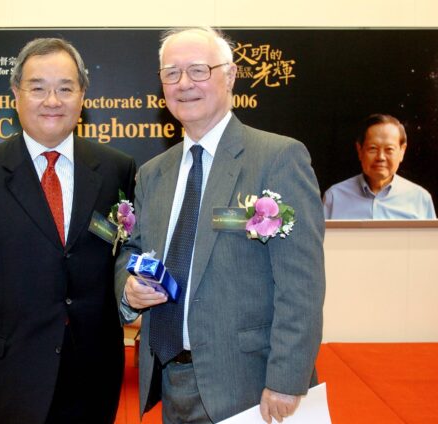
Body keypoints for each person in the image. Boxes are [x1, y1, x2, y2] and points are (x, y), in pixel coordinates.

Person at [115, 27, 326, 424]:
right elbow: (131, 250)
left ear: (229, 76)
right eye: (171, 73)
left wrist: (286, 379)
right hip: (169, 380)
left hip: (248, 383)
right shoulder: (153, 173)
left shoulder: (278, 157)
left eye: (198, 70)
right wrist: (128, 291)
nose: (184, 84)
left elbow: (302, 285)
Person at [0, 38, 136, 424]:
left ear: (82, 96)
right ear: (16, 94)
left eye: (65, 88)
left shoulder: (116, 169)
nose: (52, 101)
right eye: (38, 88)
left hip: (95, 365)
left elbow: (126, 253)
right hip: (10, 367)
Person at [323, 114, 436, 219]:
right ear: (359, 150)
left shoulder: (420, 199)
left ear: (402, 151)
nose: (381, 157)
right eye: (373, 148)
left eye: (389, 149)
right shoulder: (334, 197)